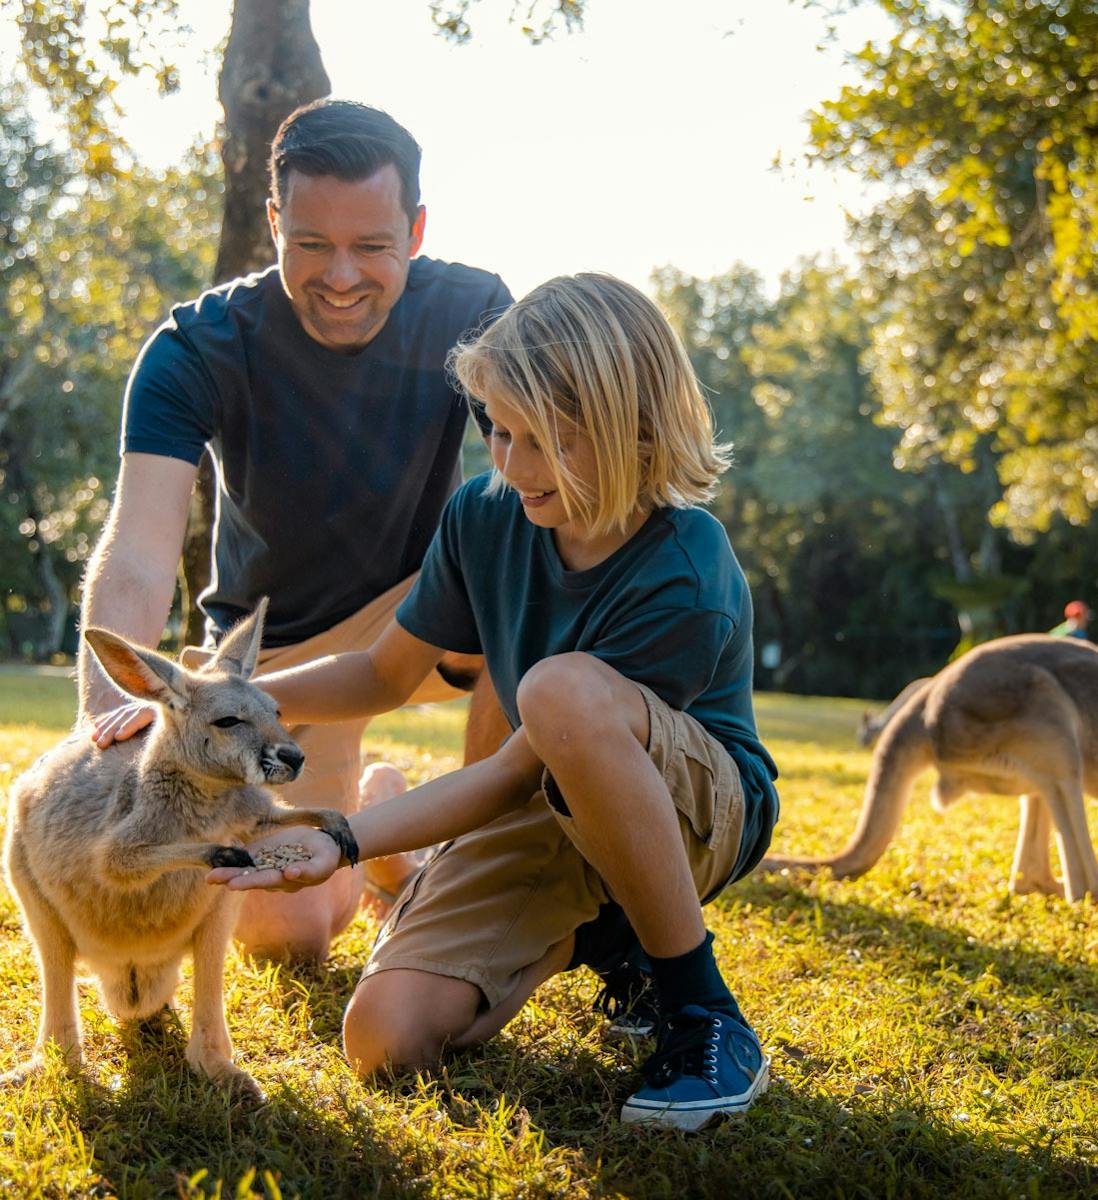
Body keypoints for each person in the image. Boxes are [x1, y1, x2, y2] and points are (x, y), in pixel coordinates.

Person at [207, 273, 781, 1131]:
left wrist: (343, 838)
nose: (510, 465)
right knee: (384, 1038)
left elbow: (513, 774)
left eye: (543, 441)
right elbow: (382, 675)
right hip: (549, 799)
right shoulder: (485, 514)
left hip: (698, 814)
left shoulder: (686, 568)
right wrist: (226, 701)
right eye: (499, 432)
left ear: (632, 430)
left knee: (561, 690)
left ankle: (703, 1011)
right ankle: (605, 934)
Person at [81, 99, 514, 962]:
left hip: (426, 615)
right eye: (312, 244)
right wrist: (107, 711)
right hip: (274, 659)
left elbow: (544, 482)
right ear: (275, 223)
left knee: (521, 551)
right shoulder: (196, 347)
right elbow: (139, 549)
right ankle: (385, 822)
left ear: (416, 231)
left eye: (372, 246)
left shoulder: (474, 311)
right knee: (291, 937)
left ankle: (478, 866)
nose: (341, 277)